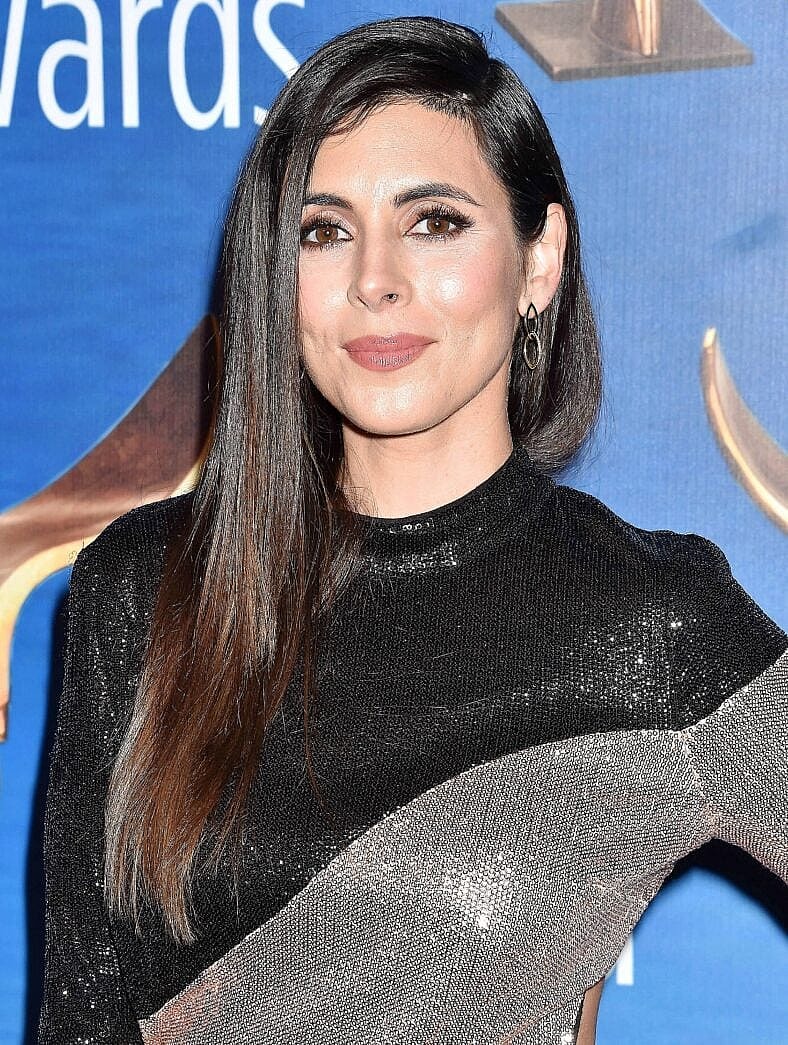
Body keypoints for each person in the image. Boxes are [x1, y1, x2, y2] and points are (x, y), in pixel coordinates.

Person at [38, 14, 787, 1045]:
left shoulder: (652, 626)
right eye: (324, 230)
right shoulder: (147, 585)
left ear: (538, 260)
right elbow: (80, 1016)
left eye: (434, 221)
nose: (374, 279)